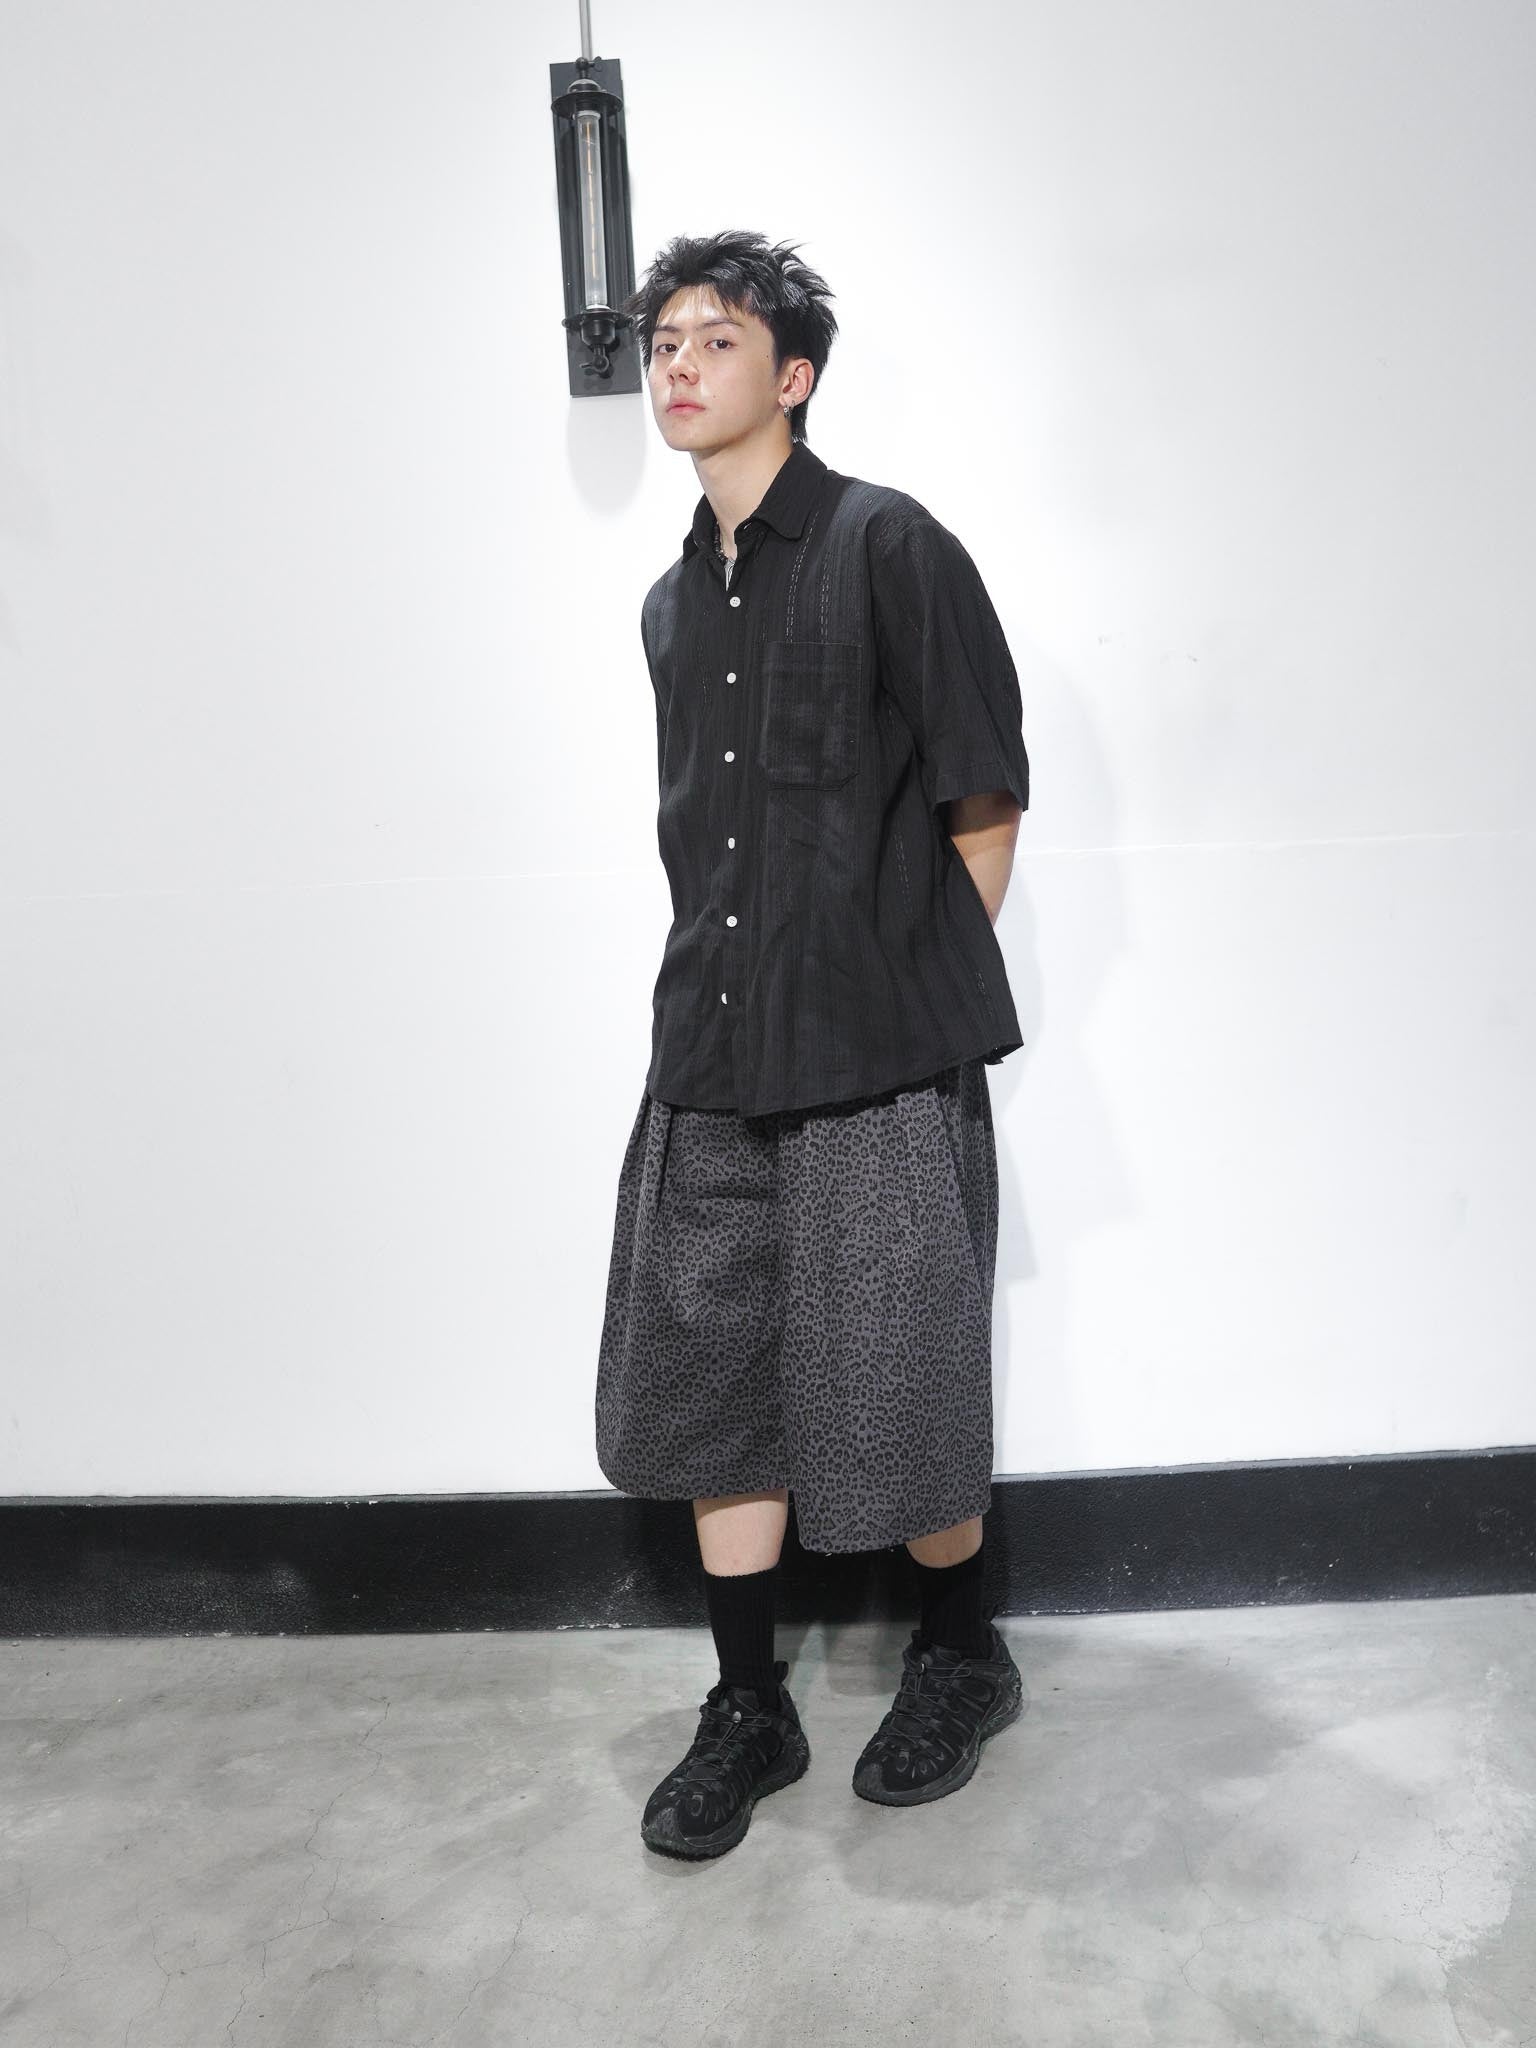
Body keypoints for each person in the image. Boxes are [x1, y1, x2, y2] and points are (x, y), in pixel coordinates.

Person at [595, 229, 1031, 1860]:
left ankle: (961, 1655)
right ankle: (748, 1704)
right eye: (663, 342)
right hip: (708, 1056)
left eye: (715, 338)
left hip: (876, 1060)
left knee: (899, 1378)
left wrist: (900, 996)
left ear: (793, 377)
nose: (678, 363)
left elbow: (983, 800)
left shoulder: (886, 544)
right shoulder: (666, 606)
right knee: (715, 1387)